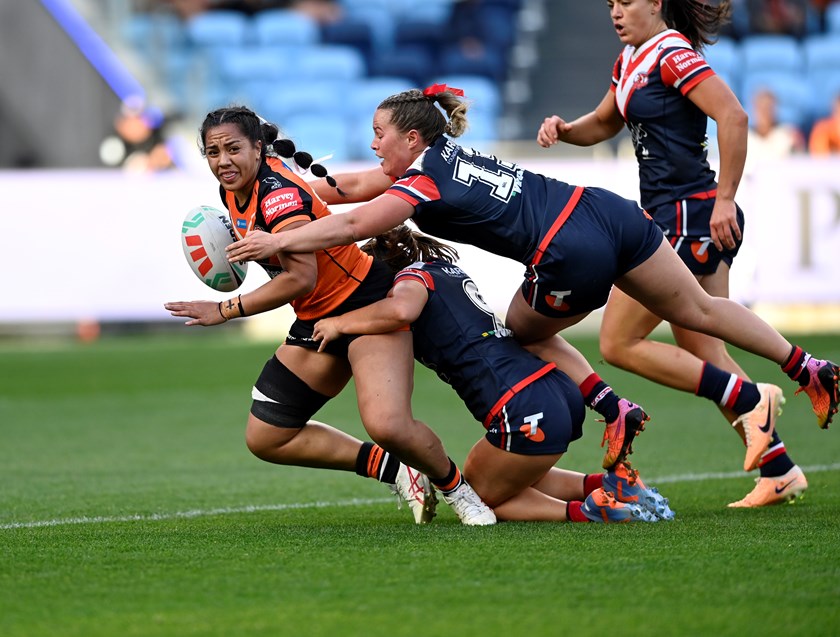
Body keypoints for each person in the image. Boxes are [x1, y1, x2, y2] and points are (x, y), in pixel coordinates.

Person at [225, 82, 840, 493]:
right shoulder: (442, 158)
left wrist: (275, 240)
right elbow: (351, 190)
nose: (372, 142)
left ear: (411, 139)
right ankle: (808, 367)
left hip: (567, 253)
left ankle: (610, 406)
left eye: (380, 132)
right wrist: (291, 189)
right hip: (604, 211)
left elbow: (359, 220)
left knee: (518, 331)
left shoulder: (420, 185)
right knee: (704, 308)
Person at [534, 0, 818, 507]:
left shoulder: (672, 53)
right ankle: (779, 470)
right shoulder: (631, 60)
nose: (615, 12)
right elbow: (604, 122)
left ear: (656, 4)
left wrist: (726, 198)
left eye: (625, 2)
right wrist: (565, 129)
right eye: (610, 4)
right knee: (707, 347)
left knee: (619, 342)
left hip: (686, 217)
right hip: (678, 216)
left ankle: (759, 396)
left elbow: (732, 115)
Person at [164, 105, 496, 526]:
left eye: (233, 149)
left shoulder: (277, 195)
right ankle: (395, 470)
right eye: (213, 152)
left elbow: (301, 278)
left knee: (389, 425)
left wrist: (225, 310)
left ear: (257, 147)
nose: (223, 161)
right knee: (267, 435)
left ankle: (459, 492)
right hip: (317, 319)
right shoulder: (232, 188)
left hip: (364, 303)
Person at [313, 225, 673, 523]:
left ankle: (587, 511)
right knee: (512, 474)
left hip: (519, 404)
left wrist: (340, 323)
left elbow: (402, 310)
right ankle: (613, 484)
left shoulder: (410, 279)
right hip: (552, 388)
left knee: (480, 493)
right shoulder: (446, 272)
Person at [745, 87, 806, 174]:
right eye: (761, 108)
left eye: (768, 108)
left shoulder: (789, 134)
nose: (764, 113)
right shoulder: (745, 138)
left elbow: (801, 165)